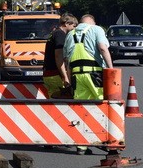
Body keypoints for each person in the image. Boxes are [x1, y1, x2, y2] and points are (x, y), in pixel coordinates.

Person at [63, 14, 114, 154]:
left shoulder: (70, 34)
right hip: (94, 74)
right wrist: (110, 69)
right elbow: (103, 48)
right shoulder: (96, 29)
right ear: (93, 22)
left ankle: (82, 145)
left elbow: (67, 60)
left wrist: (68, 78)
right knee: (101, 107)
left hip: (76, 76)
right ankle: (104, 141)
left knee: (81, 108)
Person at [42, 13, 76, 97]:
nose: (74, 29)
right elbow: (58, 56)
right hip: (55, 74)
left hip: (48, 73)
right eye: (73, 26)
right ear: (66, 23)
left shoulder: (53, 33)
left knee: (52, 99)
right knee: (59, 103)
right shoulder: (60, 34)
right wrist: (65, 77)